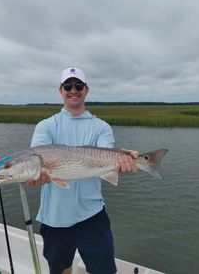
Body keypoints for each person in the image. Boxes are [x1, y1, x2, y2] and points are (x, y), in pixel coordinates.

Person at [27, 67, 139, 274]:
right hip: (55, 217)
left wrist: (124, 162)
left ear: (86, 90)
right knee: (61, 269)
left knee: (104, 270)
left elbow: (107, 155)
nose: (73, 90)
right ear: (60, 90)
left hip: (92, 214)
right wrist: (36, 177)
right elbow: (35, 163)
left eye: (78, 85)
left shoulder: (101, 127)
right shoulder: (46, 126)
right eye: (68, 86)